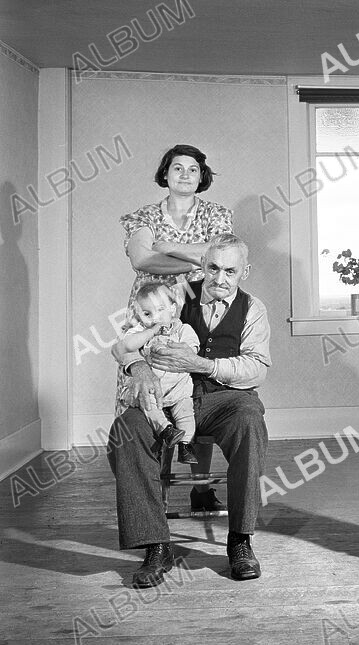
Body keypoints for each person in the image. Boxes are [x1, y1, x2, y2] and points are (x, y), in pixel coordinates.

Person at [109, 234, 271, 587]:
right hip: (167, 395)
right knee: (128, 429)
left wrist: (200, 363)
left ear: (245, 271)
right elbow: (123, 344)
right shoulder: (177, 295)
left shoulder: (253, 309)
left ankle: (240, 541)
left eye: (230, 270)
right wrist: (137, 365)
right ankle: (155, 545)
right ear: (203, 265)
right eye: (212, 267)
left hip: (224, 397)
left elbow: (256, 368)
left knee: (249, 419)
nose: (220, 278)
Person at [117, 144, 233, 510]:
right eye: (177, 168)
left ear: (203, 176)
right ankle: (153, 496)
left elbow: (219, 257)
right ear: (165, 173)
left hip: (204, 307)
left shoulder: (218, 214)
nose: (185, 174)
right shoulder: (143, 216)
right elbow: (141, 259)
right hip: (152, 309)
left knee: (197, 391)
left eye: (193, 169)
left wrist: (166, 248)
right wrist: (195, 254)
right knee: (151, 391)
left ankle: (201, 488)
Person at [114, 280, 199, 463]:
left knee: (186, 414)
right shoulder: (139, 332)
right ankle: (166, 431)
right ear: (139, 315)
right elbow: (126, 346)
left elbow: (191, 351)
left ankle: (185, 446)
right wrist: (151, 331)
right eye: (147, 313)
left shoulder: (183, 329)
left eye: (161, 310)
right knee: (149, 407)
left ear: (173, 309)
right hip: (152, 389)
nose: (155, 317)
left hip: (178, 388)